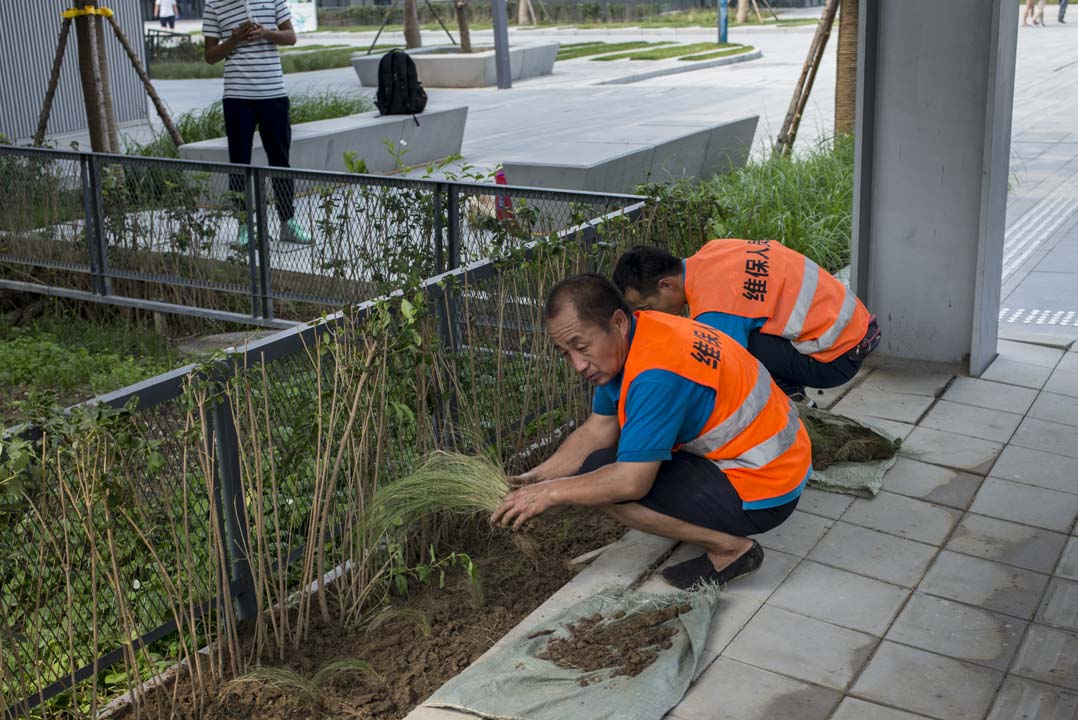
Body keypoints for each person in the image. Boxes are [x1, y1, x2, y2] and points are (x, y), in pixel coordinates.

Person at [490, 274, 812, 589]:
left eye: (581, 347)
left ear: (617, 322)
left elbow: (630, 481)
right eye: (566, 353)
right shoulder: (634, 340)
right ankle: (710, 517)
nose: (578, 364)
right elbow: (596, 432)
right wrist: (531, 481)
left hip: (767, 486)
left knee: (607, 482)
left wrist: (552, 492)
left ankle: (731, 549)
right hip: (773, 456)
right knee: (599, 465)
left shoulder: (655, 373)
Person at [612, 241, 880, 404]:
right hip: (857, 328)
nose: (648, 316)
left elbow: (723, 374)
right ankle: (790, 394)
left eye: (647, 308)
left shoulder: (715, 307)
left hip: (835, 361)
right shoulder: (714, 251)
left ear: (666, 285)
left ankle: (791, 403)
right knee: (745, 331)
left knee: (735, 352)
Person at [203, 0, 311, 247]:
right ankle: (244, 226)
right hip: (236, 96)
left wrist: (266, 33)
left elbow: (291, 37)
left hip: (273, 94)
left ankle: (288, 222)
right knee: (239, 163)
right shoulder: (214, 5)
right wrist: (233, 40)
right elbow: (209, 56)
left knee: (280, 160)